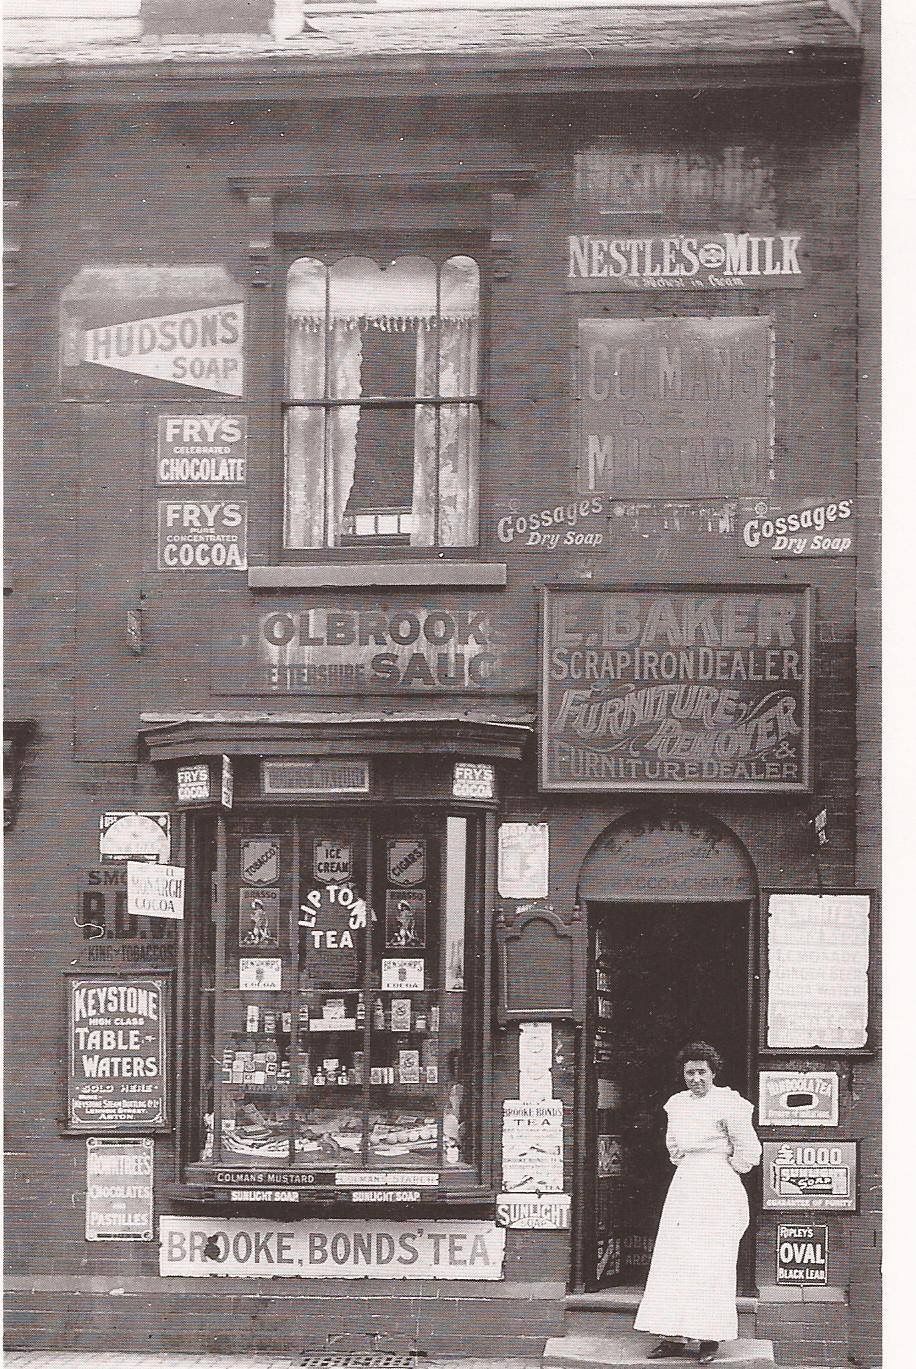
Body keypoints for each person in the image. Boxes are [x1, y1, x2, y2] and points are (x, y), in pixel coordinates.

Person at [634, 1042, 762, 1364]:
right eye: (689, 1072)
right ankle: (673, 1337)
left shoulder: (730, 1103)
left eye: (701, 1072)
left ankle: (708, 1339)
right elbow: (674, 1148)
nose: (695, 1079)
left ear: (713, 1072)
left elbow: (748, 1150)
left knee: (711, 1259)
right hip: (686, 1186)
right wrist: (694, 1164)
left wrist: (722, 1166)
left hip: (718, 1185)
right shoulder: (676, 1105)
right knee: (675, 1258)